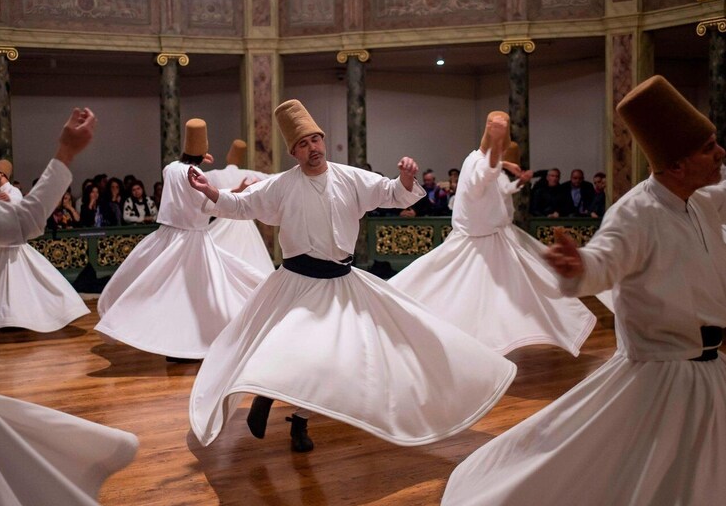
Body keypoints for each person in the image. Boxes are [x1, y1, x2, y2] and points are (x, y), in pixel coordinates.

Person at [442, 76, 726, 506]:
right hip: (661, 375)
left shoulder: (703, 199)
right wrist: (578, 268)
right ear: (676, 165)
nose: (721, 153)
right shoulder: (636, 213)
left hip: (709, 371)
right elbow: (602, 263)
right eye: (709, 147)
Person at [187, 99, 516, 453]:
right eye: (303, 144)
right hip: (296, 281)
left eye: (315, 140)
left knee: (328, 359)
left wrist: (405, 179)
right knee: (287, 344)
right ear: (294, 152)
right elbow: (243, 204)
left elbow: (389, 192)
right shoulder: (282, 185)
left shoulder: (349, 177)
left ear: (322, 141)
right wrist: (212, 193)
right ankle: (265, 393)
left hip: (340, 282)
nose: (312, 148)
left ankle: (298, 420)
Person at [0, 107, 139, 506]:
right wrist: (66, 152)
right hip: (8, 244)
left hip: (13, 248)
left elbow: (17, 215)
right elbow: (16, 216)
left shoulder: (8, 192)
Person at [390, 116, 596, 356]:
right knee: (451, 290)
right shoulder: (476, 162)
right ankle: (463, 342)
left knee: (518, 290)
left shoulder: (487, 163)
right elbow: (480, 179)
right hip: (474, 244)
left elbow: (498, 186)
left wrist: (514, 175)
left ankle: (488, 342)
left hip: (494, 240)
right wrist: (498, 154)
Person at [95, 119, 265, 360]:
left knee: (162, 290)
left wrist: (195, 157)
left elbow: (180, 171)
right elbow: (207, 203)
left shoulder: (171, 168)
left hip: (167, 236)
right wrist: (235, 191)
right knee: (198, 294)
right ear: (203, 151)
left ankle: (169, 341)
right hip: (191, 240)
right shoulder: (193, 175)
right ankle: (189, 344)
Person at [0, 157, 89, 334]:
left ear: (1, 174)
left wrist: (7, 202)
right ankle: (1, 317)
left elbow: (19, 208)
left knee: (28, 281)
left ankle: (22, 316)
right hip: (1, 247)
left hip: (14, 248)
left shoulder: (14, 192)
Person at [205, 139, 276, 275]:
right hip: (241, 220)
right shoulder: (247, 175)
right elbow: (273, 178)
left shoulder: (214, 175)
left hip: (228, 220)